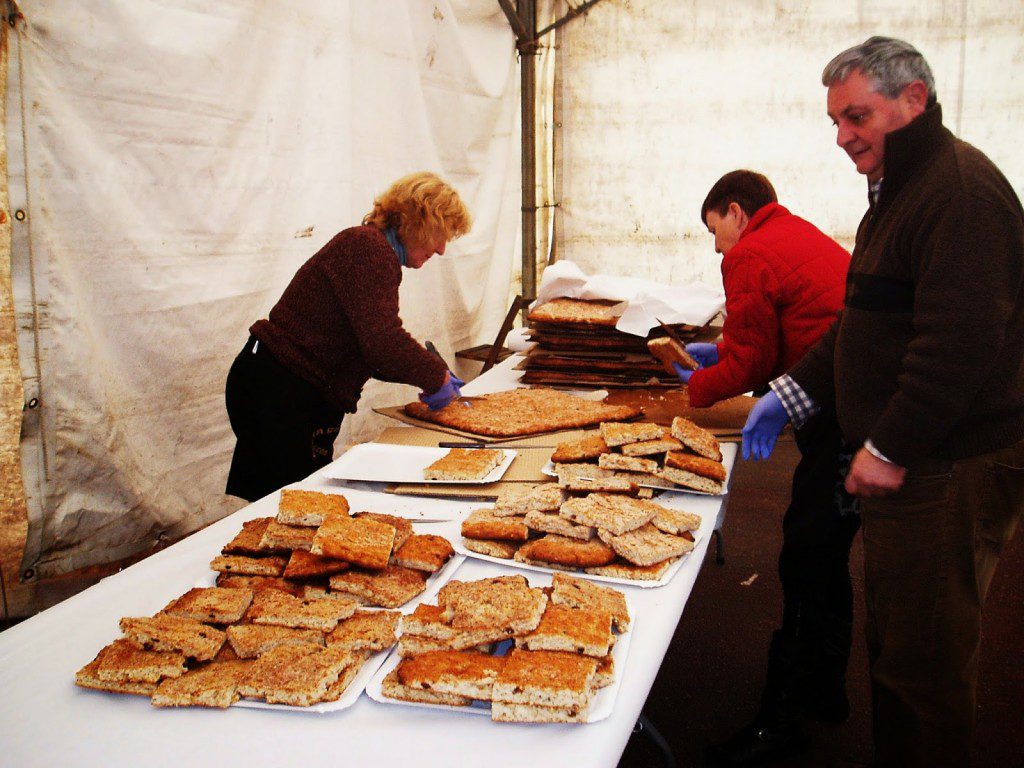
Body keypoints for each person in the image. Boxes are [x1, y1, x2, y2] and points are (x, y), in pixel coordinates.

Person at [743, 37, 1024, 767]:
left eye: (857, 116)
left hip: (948, 467)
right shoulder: (899, 191)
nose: (842, 136)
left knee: (924, 661)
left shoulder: (957, 194)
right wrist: (789, 393)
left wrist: (888, 445)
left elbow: (958, 346)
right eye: (835, 120)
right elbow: (861, 324)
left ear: (914, 101)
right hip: (922, 464)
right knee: (900, 641)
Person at [675, 171, 858, 766]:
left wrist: (700, 384)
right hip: (852, 403)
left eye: (714, 230)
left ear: (735, 211)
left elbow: (753, 357)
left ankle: (780, 723)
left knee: (805, 556)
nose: (717, 246)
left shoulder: (750, 252)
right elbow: (774, 332)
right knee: (827, 553)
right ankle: (827, 690)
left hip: (840, 414)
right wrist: (723, 352)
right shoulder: (794, 234)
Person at [224, 171, 472, 502]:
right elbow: (382, 343)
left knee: (289, 505)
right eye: (440, 235)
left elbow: (369, 348)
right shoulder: (367, 248)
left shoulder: (373, 251)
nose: (441, 249)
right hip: (281, 391)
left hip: (284, 386)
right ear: (418, 221)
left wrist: (429, 374)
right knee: (287, 508)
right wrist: (433, 374)